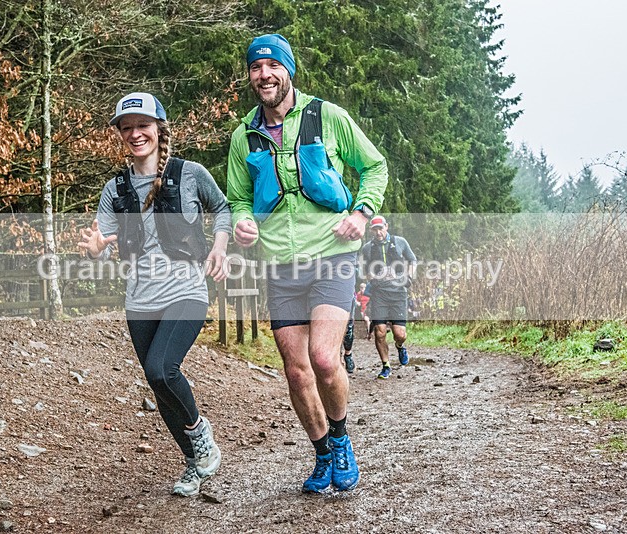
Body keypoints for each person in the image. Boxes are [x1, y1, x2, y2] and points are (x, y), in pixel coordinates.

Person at [226, 34, 388, 493]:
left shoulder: (327, 116)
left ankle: (341, 438)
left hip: (332, 254)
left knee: (323, 358)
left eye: (272, 66)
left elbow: (375, 166)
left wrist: (362, 213)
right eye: (255, 68)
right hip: (279, 263)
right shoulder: (244, 135)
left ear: (288, 71)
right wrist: (242, 223)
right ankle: (321, 454)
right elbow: (238, 198)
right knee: (296, 372)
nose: (264, 75)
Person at [78, 92, 231, 497]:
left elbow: (223, 208)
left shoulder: (189, 173)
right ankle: (194, 463)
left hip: (186, 289)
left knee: (161, 369)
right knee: (158, 384)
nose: (135, 134)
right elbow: (102, 245)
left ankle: (200, 433)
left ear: (159, 129)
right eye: (126, 128)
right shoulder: (115, 189)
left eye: (143, 125)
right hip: (140, 299)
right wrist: (96, 250)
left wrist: (219, 247)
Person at [360, 215, 416, 379]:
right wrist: (371, 277)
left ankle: (400, 346)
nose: (378, 232)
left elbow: (412, 260)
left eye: (381, 228)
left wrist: (409, 277)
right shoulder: (367, 248)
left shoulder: (400, 242)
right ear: (371, 231)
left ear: (387, 226)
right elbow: (364, 270)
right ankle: (386, 365)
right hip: (379, 294)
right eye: (375, 229)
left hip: (398, 293)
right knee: (380, 332)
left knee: (400, 334)